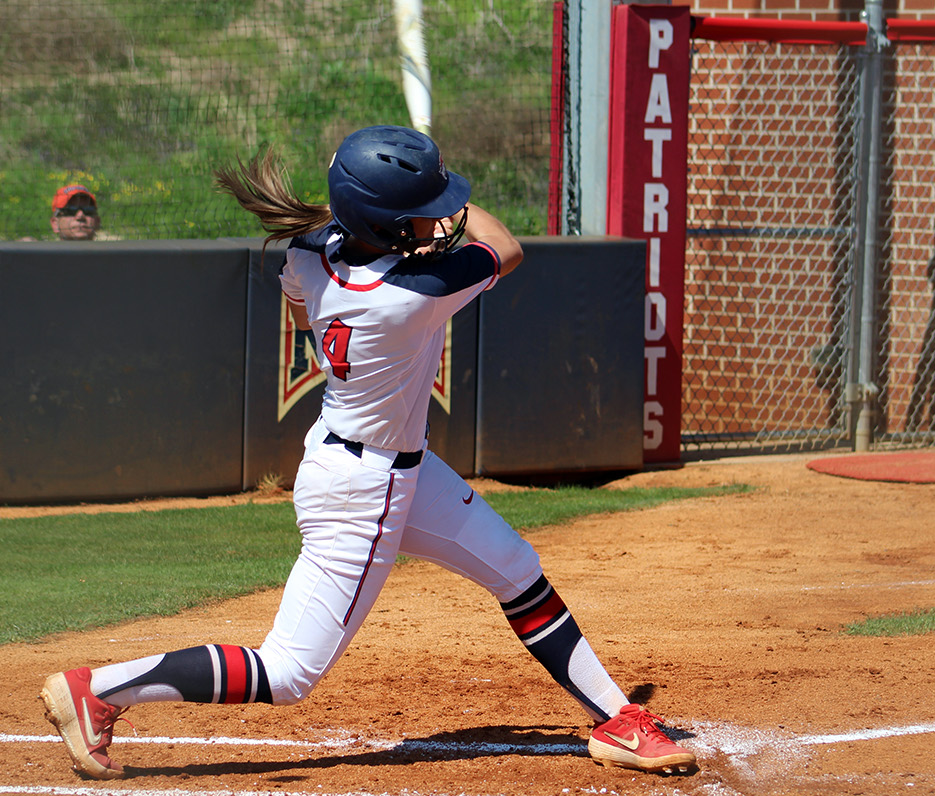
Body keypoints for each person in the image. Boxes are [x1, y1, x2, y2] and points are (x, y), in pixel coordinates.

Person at [39, 126, 699, 780]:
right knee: (288, 671)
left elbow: (300, 305)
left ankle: (617, 719)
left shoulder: (308, 251)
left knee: (515, 567)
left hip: (384, 465)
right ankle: (101, 690)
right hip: (366, 488)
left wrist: (413, 199)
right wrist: (454, 202)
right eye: (419, 216)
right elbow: (506, 247)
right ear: (379, 224)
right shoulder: (414, 293)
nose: (436, 225)